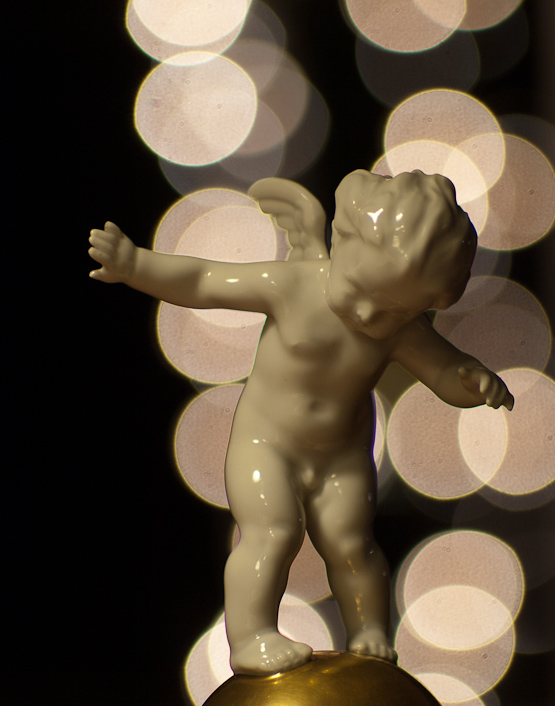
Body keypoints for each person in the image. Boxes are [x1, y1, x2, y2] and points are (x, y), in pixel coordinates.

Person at [89, 169, 513, 675]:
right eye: (357, 290)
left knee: (353, 545)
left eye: (392, 311)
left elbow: (443, 370)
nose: (367, 314)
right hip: (266, 444)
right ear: (341, 243)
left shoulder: (401, 329)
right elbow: (204, 280)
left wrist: (473, 382)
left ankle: (369, 633)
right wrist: (135, 265)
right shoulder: (292, 286)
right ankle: (251, 636)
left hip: (343, 458)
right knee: (273, 531)